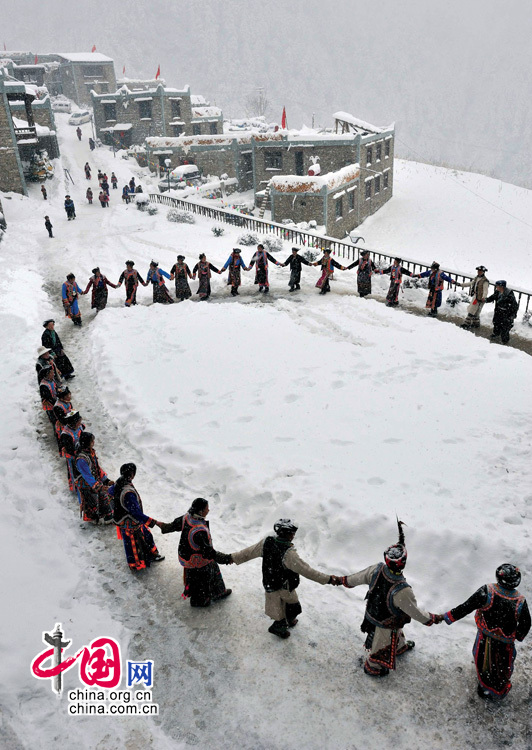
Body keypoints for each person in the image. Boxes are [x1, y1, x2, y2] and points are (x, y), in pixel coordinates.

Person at [339, 520, 442, 676]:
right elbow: (415, 612)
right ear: (403, 564)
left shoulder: (377, 569)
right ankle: (373, 666)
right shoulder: (402, 590)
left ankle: (399, 646)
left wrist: (344, 580)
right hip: (384, 622)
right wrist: (430, 618)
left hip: (373, 613)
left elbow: (357, 578)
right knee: (380, 646)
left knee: (396, 631)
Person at [230, 519, 340, 639]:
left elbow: (247, 553)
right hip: (284, 586)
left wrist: (231, 558)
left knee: (282, 607)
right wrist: (329, 579)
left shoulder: (267, 542)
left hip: (270, 583)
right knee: (290, 607)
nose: (293, 536)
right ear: (287, 534)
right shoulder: (289, 554)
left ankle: (286, 621)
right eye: (292, 533)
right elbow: (308, 572)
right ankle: (279, 628)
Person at [442, 564, 530, 700]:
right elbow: (526, 623)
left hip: (485, 638)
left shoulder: (487, 591)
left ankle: (484, 688)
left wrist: (448, 616)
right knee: (502, 666)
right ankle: (498, 690)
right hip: (505, 644)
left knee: (483, 660)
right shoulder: (520, 601)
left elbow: (467, 606)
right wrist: (518, 635)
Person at [160, 498, 233, 607]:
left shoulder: (187, 517)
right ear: (200, 511)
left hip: (186, 554)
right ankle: (200, 600)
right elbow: (208, 553)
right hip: (196, 561)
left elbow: (174, 525)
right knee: (203, 578)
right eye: (206, 509)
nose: (208, 510)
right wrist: (227, 558)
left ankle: (218, 592)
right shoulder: (199, 531)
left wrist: (163, 526)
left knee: (211, 568)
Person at [109, 463, 165, 572]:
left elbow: (110, 491)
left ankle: (144, 558)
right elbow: (136, 513)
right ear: (132, 474)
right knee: (136, 542)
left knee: (135, 540)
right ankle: (138, 563)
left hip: (123, 520)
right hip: (131, 522)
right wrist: (154, 522)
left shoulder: (119, 483)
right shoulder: (128, 492)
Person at [75, 432, 114, 525]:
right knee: (92, 503)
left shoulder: (91, 452)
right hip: (87, 484)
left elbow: (97, 468)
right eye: (92, 441)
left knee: (102, 498)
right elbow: (87, 475)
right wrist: (98, 486)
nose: (93, 442)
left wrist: (106, 480)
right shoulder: (81, 459)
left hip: (95, 481)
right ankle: (96, 519)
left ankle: (106, 517)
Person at [59, 410, 84, 493]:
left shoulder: (79, 427)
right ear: (73, 423)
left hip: (80, 453)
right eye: (78, 421)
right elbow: (70, 450)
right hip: (72, 457)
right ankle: (75, 488)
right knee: (74, 472)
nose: (80, 423)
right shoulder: (66, 435)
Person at [53, 385, 73, 449]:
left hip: (70, 423)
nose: (69, 397)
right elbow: (63, 420)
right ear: (62, 397)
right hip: (63, 427)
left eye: (69, 394)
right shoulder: (58, 407)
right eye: (67, 396)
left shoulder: (67, 402)